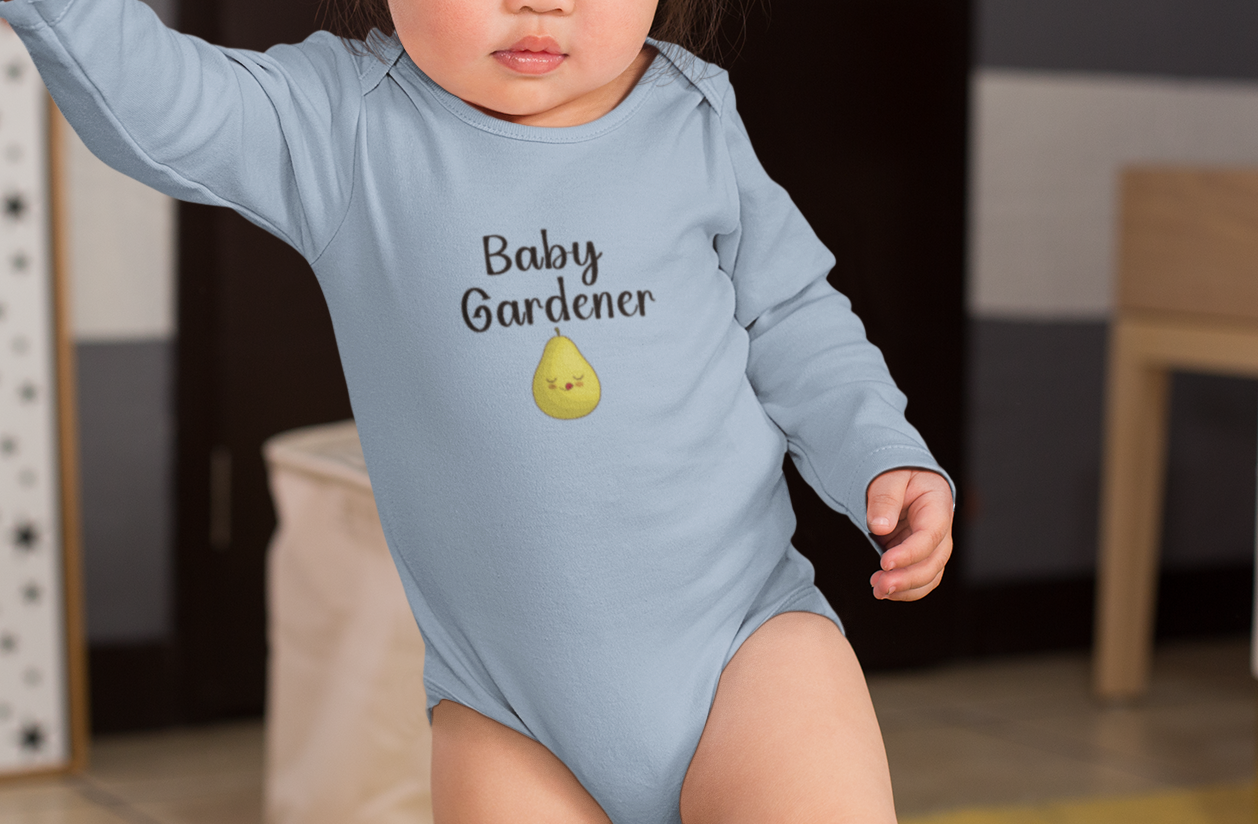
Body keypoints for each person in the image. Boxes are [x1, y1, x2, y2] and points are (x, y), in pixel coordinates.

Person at [0, 0, 955, 820]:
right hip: (506, 710)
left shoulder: (691, 115)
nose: (542, 2)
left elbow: (792, 318)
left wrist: (879, 450)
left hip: (745, 646)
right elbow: (156, 97)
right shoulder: (346, 125)